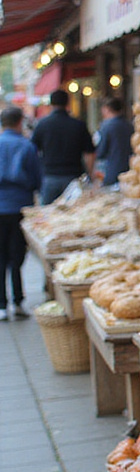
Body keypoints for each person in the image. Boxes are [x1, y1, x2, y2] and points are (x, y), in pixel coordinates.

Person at [0, 105, 42, 320]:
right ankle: (17, 301)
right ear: (19, 123)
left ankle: (1, 305)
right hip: (19, 206)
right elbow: (36, 178)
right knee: (16, 256)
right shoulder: (26, 145)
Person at [31, 89, 95, 203]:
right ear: (67, 103)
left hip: (50, 176)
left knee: (47, 216)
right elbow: (90, 153)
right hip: (73, 177)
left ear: (51, 104)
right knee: (74, 214)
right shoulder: (78, 125)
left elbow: (33, 149)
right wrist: (90, 174)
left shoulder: (42, 124)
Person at [94, 96, 133, 187]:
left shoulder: (106, 126)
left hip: (111, 171)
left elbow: (101, 152)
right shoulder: (129, 125)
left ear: (106, 109)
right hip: (129, 170)